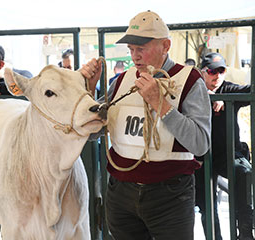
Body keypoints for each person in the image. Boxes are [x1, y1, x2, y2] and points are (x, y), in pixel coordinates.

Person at [80, 10, 211, 239]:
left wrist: (160, 105)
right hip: (121, 192)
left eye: (141, 49)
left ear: (166, 46)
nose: (135, 56)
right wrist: (89, 91)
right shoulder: (121, 80)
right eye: (131, 49)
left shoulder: (189, 80)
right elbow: (91, 132)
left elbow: (200, 144)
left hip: (170, 195)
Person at [195, 52, 254, 240]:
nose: (217, 75)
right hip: (201, 156)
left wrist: (225, 101)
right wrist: (207, 97)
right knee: (207, 207)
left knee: (243, 174)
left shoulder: (229, 88)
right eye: (212, 71)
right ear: (202, 72)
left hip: (228, 153)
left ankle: (245, 230)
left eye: (221, 70)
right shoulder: (194, 91)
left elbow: (250, 91)